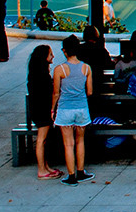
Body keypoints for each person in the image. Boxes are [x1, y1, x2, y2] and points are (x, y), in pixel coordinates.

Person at [52, 35, 95, 185]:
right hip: (82, 108)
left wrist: (52, 109)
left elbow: (56, 92)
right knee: (80, 141)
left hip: (65, 109)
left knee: (68, 144)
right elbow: (89, 92)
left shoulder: (59, 69)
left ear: (64, 51)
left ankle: (71, 176)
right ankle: (81, 171)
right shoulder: (86, 68)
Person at [28, 45, 62, 180]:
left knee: (44, 140)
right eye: (50, 54)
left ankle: (45, 166)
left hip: (38, 109)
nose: (52, 56)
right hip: (42, 110)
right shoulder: (42, 75)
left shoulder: (35, 73)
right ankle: (41, 170)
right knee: (41, 140)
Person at [78, 25, 114, 92]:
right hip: (96, 81)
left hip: (81, 81)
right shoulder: (101, 50)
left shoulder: (79, 49)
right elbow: (109, 64)